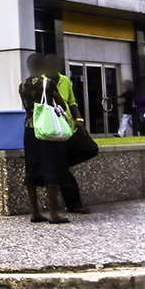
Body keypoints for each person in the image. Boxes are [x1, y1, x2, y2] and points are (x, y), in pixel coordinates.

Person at [19, 53, 72, 224]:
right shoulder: (47, 83)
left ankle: (35, 212)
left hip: (29, 129)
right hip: (46, 130)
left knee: (31, 169)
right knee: (51, 169)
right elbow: (62, 104)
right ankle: (53, 213)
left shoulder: (22, 85)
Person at [49, 55, 92, 214]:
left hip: (70, 128)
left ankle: (62, 164)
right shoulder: (42, 82)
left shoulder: (65, 80)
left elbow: (72, 102)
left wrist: (79, 119)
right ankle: (74, 204)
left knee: (90, 148)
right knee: (61, 169)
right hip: (53, 131)